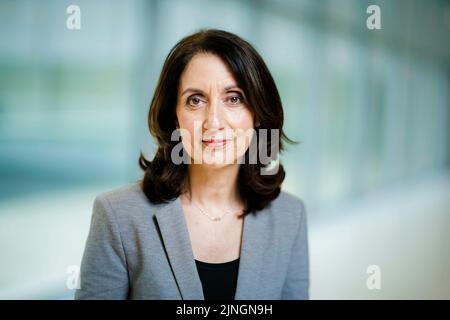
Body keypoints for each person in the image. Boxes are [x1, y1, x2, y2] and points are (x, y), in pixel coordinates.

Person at [75, 29, 309, 300]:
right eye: (195, 100)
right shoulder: (118, 216)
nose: (214, 122)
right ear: (175, 116)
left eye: (234, 98)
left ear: (257, 114)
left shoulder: (290, 216)